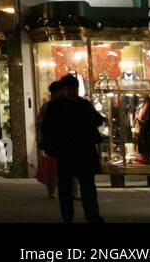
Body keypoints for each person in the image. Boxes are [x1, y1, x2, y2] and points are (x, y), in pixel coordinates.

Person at [40, 73, 105, 224]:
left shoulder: (66, 105)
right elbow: (47, 128)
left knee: (81, 186)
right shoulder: (63, 106)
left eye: (74, 88)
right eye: (70, 88)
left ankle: (88, 215)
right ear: (64, 89)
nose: (72, 91)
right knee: (71, 187)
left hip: (74, 151)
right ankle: (79, 215)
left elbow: (97, 120)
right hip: (73, 151)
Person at [36, 81, 62, 198]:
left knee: (60, 166)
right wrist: (40, 138)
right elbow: (40, 124)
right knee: (53, 166)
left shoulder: (47, 106)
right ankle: (52, 190)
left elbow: (39, 124)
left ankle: (56, 190)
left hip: (56, 140)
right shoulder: (47, 106)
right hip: (52, 140)